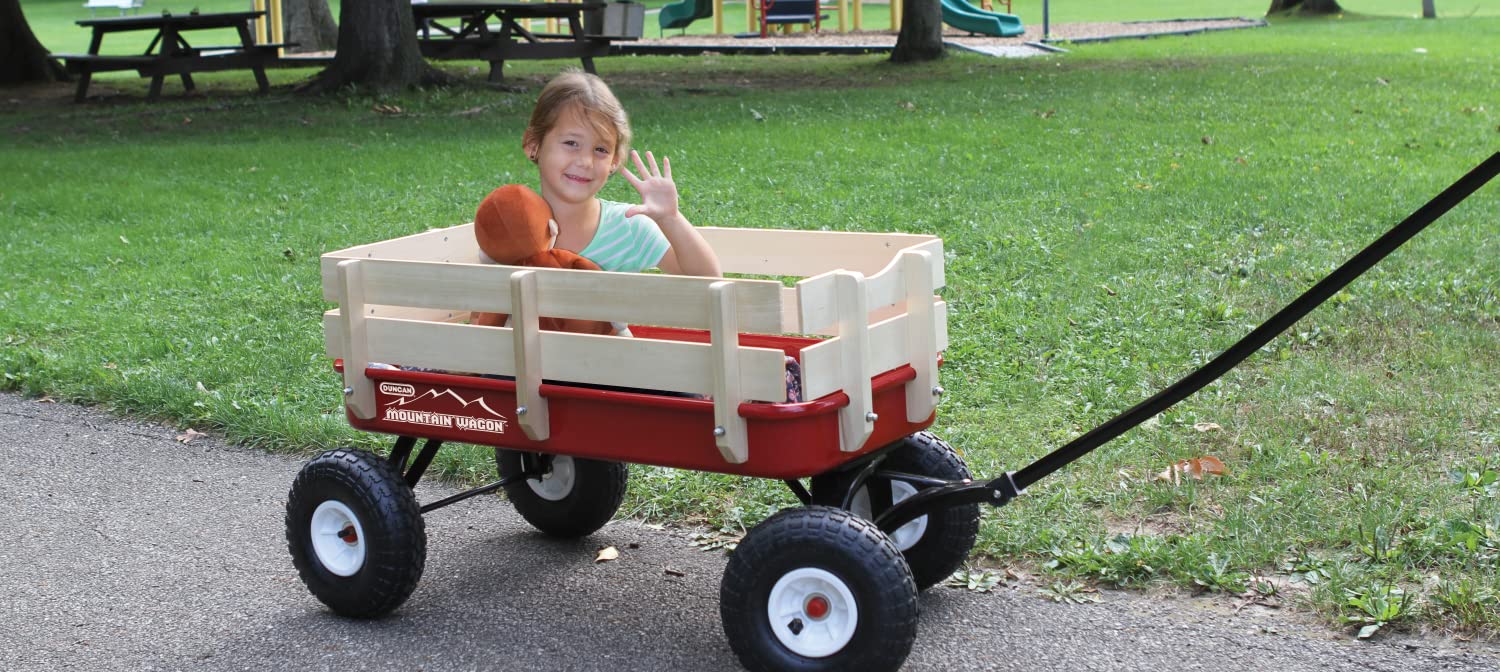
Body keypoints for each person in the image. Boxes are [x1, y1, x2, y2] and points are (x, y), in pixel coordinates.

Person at [521, 69, 721, 278]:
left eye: (601, 150)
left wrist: (670, 218)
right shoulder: (514, 225)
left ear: (614, 160)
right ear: (533, 145)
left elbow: (709, 280)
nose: (586, 162)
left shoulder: (628, 227)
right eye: (571, 143)